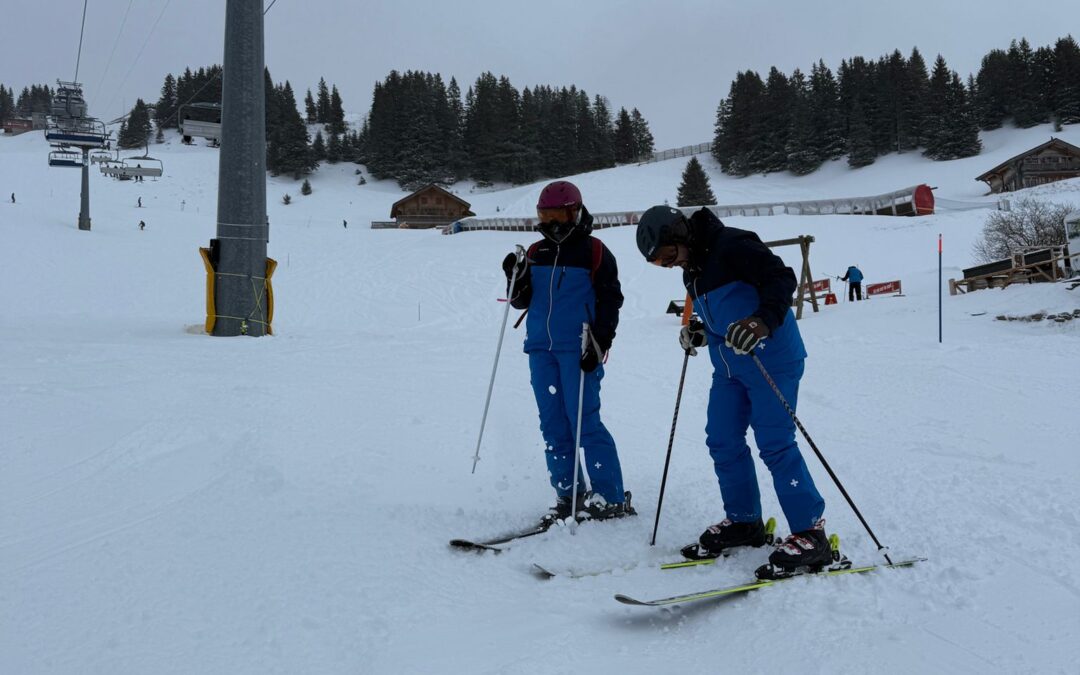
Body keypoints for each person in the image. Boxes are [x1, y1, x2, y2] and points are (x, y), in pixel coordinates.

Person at [636, 205, 830, 577]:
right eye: (659, 263)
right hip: (728, 367)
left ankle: (811, 532)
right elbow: (720, 314)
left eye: (667, 256)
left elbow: (781, 279)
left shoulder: (733, 244)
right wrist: (700, 332)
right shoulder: (691, 267)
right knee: (722, 439)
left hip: (771, 358)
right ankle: (745, 522)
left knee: (775, 442)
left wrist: (760, 322)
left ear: (681, 234)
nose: (669, 265)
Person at [502, 180, 634, 525]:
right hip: (540, 349)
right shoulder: (535, 252)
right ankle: (568, 494)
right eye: (545, 215)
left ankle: (610, 497)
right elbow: (521, 301)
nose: (552, 222)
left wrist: (600, 343)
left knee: (585, 422)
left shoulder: (595, 251)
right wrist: (513, 277)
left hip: (578, 348)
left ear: (575, 212)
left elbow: (610, 301)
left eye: (558, 214)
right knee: (553, 424)